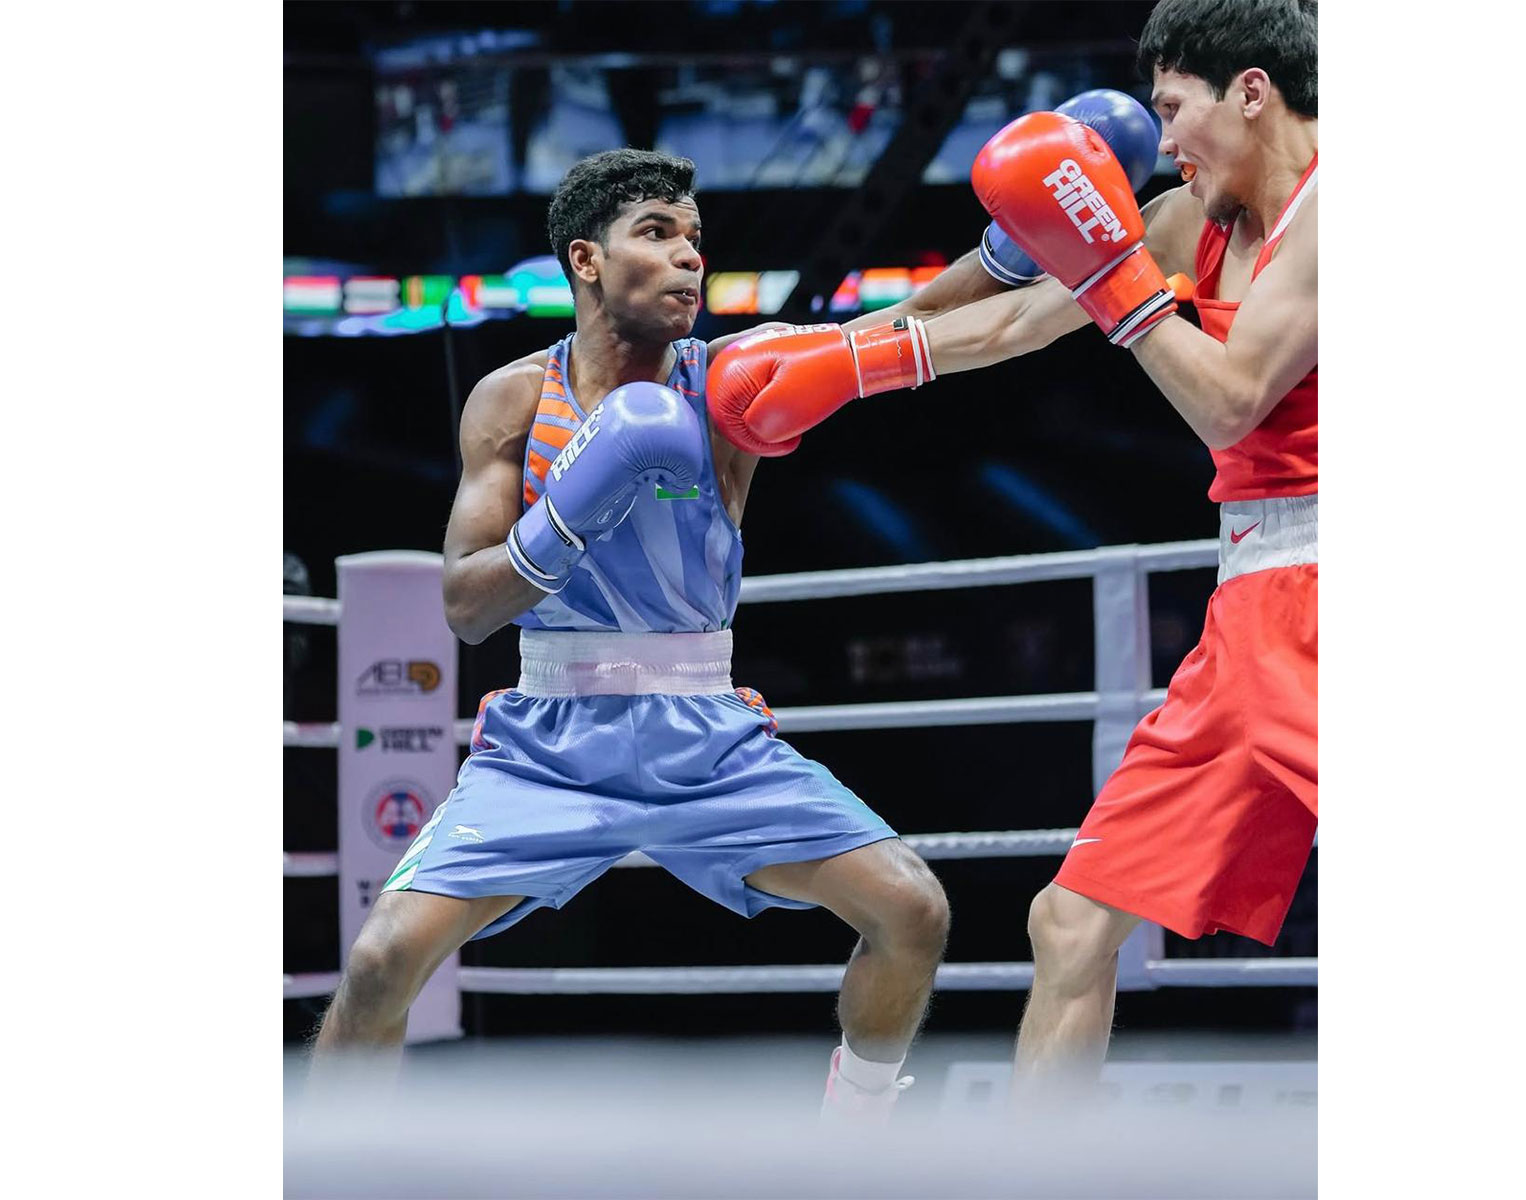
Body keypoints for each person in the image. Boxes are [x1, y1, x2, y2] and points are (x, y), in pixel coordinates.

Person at [708, 0, 1318, 1106]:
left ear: (1250, 90)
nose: (1162, 143)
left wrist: (1118, 278)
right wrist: (830, 361)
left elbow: (1231, 403)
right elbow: (1015, 321)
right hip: (1252, 611)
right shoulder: (1191, 221)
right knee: (1071, 921)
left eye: (1172, 108)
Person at [309, 148, 951, 1121]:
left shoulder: (731, 381)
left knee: (911, 909)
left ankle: (855, 1139)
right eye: (657, 232)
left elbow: (918, 322)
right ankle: (330, 1171)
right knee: (379, 961)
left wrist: (1027, 256)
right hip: (549, 743)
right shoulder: (513, 399)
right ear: (586, 260)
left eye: (695, 237)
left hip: (708, 734)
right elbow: (467, 607)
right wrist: (570, 510)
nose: (689, 256)